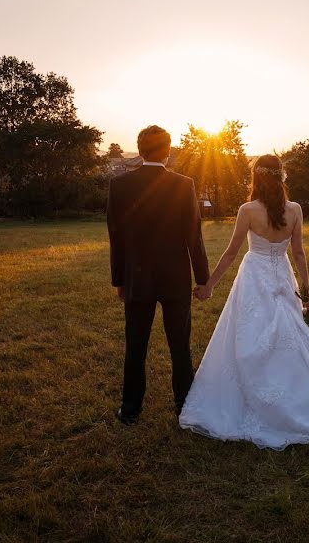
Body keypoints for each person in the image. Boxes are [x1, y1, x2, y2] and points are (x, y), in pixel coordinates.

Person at [179, 154, 309, 449]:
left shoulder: (247, 209)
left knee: (249, 335)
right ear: (281, 178)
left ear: (257, 178)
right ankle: (300, 396)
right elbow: (299, 253)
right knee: (290, 337)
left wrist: (209, 286)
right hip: (281, 275)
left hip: (254, 276)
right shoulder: (294, 210)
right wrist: (306, 292)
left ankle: (252, 396)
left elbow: (230, 253)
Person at [106, 125, 209, 425]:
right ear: (167, 151)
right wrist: (202, 278)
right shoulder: (184, 184)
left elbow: (117, 236)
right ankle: (185, 406)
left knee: (135, 345)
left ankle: (130, 409)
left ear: (139, 150)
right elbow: (194, 236)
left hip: (137, 278)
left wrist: (119, 281)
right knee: (180, 345)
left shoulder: (120, 185)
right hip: (175, 278)